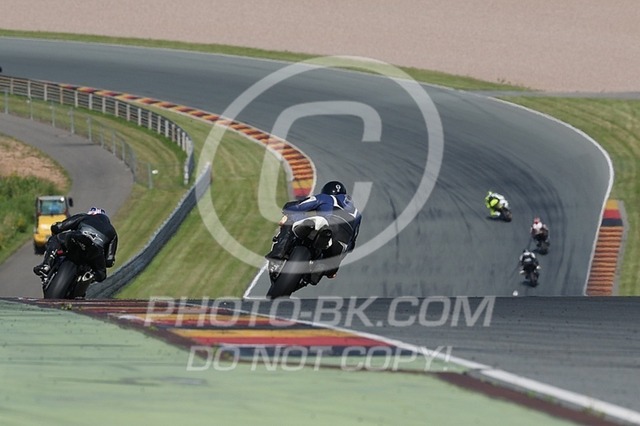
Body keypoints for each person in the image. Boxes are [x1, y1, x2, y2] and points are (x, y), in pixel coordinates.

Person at [266, 181, 362, 283]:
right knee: (329, 265)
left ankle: (278, 253)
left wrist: (287, 208)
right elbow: (352, 243)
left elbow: (299, 206)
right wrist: (335, 266)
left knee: (291, 218)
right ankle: (319, 270)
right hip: (340, 244)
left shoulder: (326, 198)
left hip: (326, 225)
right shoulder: (357, 215)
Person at [33, 207, 118, 287]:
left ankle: (46, 264)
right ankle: (88, 278)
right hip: (95, 251)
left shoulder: (85, 217)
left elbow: (59, 227)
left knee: (55, 239)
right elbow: (109, 261)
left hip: (76, 238)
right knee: (101, 275)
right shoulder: (112, 232)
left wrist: (55, 230)